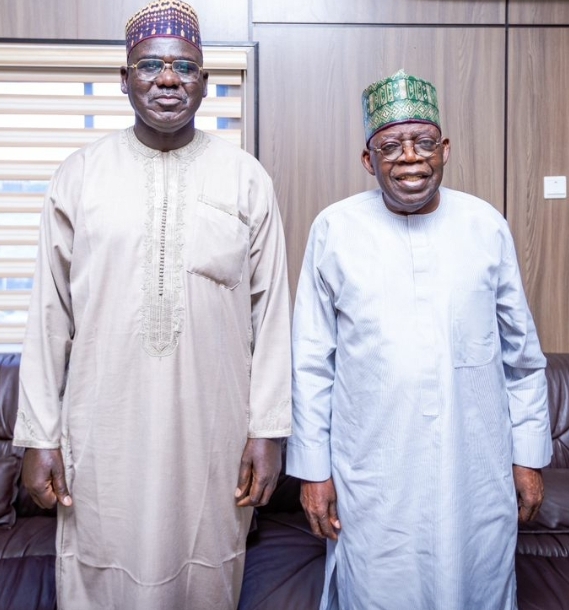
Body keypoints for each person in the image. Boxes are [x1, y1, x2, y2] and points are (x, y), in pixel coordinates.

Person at [13, 2, 291, 608]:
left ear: (204, 82)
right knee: (100, 566)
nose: (168, 79)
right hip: (102, 430)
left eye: (184, 67)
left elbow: (272, 314)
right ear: (125, 78)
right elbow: (49, 316)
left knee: (206, 569)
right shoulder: (79, 176)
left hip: (211, 433)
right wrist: (39, 436)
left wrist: (268, 431)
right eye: (150, 66)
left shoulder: (245, 178)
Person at [286, 69, 552, 609]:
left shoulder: (485, 225)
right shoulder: (334, 230)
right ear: (369, 160)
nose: (410, 158)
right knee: (378, 588)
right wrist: (313, 472)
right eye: (390, 146)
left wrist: (527, 458)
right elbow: (311, 364)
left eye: (423, 142)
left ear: (444, 150)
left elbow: (522, 358)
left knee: (475, 585)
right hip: (373, 476)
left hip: (474, 472)